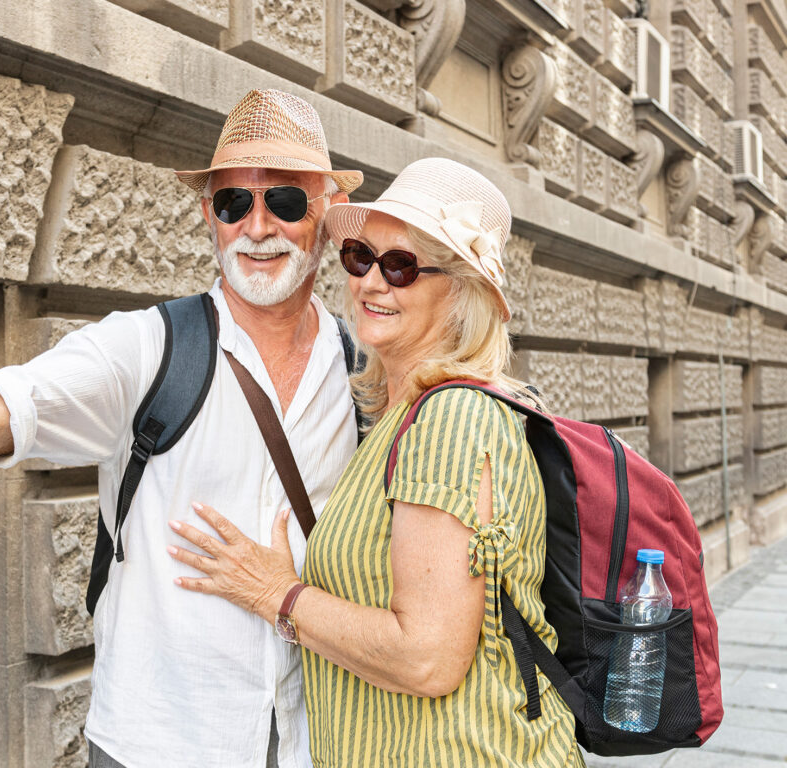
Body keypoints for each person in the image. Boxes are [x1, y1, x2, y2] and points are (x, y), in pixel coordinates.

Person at [0, 89, 365, 768]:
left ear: (328, 212)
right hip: (159, 745)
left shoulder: (364, 370)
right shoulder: (147, 348)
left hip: (320, 741)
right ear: (207, 217)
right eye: (233, 203)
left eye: (285, 201)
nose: (256, 226)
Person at [166, 157, 586, 767]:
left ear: (463, 289)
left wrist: (277, 594)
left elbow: (426, 657)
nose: (371, 283)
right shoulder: (400, 416)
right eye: (361, 256)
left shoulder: (449, 421)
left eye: (402, 266)